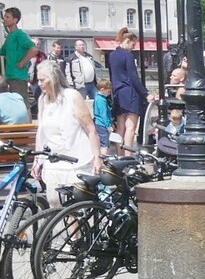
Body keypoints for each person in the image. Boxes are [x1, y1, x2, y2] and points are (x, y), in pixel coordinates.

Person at [32, 59, 101, 206]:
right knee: (54, 202)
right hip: (54, 161)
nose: (39, 83)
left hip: (76, 160)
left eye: (42, 80)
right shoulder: (43, 100)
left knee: (74, 208)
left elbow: (90, 129)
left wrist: (97, 157)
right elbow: (41, 132)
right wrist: (37, 160)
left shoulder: (72, 96)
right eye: (38, 80)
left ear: (53, 79)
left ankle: (76, 229)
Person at [109, 30, 151, 153]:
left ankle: (120, 154)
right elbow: (133, 77)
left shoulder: (112, 55)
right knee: (131, 127)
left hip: (117, 92)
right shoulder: (128, 56)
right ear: (127, 41)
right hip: (129, 92)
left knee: (120, 127)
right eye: (133, 45)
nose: (133, 48)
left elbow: (112, 76)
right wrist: (145, 93)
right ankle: (128, 155)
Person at [0, 8, 36, 109]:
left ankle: (27, 124)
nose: (4, 19)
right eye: (4, 17)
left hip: (18, 77)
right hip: (9, 77)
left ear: (15, 20)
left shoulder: (20, 35)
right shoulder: (10, 37)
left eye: (7, 17)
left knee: (22, 105)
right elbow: (1, 52)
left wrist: (22, 62)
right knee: (13, 106)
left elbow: (33, 49)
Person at [93, 78, 114, 155]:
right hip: (103, 124)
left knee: (101, 143)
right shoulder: (102, 100)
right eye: (108, 91)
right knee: (105, 145)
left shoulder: (97, 97)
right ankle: (103, 159)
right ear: (102, 89)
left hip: (98, 123)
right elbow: (104, 114)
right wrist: (108, 126)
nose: (109, 93)